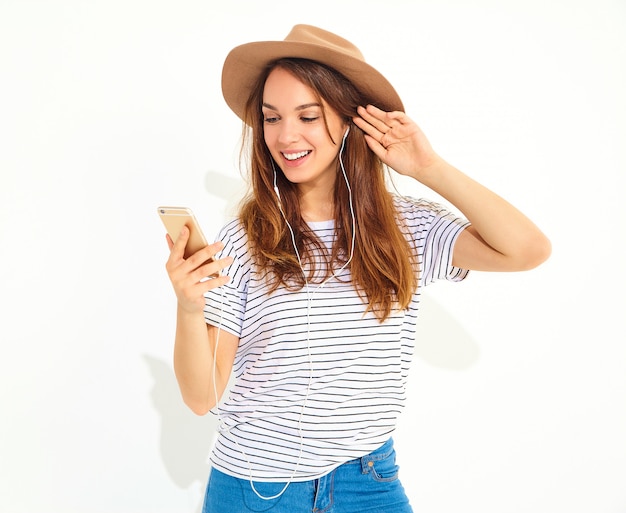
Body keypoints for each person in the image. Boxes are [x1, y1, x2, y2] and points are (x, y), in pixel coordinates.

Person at [164, 24, 551, 513]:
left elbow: (528, 250)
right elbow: (202, 397)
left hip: (368, 482)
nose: (286, 136)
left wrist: (429, 168)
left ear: (351, 121)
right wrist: (187, 307)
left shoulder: (405, 230)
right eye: (271, 117)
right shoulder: (243, 242)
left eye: (308, 116)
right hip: (257, 489)